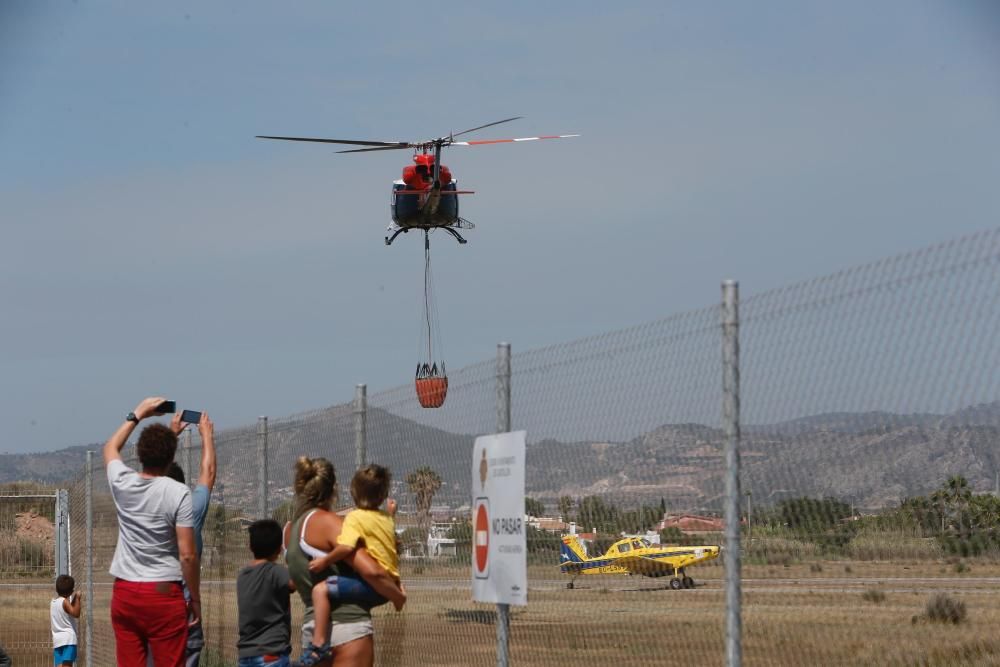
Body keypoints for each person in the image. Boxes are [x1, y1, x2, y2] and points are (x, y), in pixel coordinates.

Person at [104, 396, 200, 667]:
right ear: (171, 457)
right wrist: (194, 598)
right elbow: (188, 556)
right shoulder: (178, 492)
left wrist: (138, 414)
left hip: (124, 591)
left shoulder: (123, 482)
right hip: (162, 592)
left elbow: (111, 447)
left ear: (140, 455)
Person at [282, 457, 405, 667]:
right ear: (334, 488)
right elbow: (372, 571)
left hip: (313, 628)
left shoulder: (289, 531)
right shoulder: (330, 523)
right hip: (348, 627)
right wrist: (397, 595)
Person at [161, 410, 215, 667]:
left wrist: (171, 434)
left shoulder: (149, 508)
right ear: (183, 489)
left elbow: (154, 476)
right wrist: (206, 436)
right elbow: (209, 472)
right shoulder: (191, 510)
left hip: (153, 607)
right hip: (183, 610)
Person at [238, 520, 295, 666]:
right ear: (279, 549)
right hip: (271, 654)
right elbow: (295, 583)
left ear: (250, 546)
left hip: (246, 656)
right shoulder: (275, 572)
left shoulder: (243, 575)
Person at [51, 575, 81, 666]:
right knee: (67, 665)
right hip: (68, 640)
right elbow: (76, 613)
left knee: (60, 665)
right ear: (71, 592)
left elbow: (68, 610)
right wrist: (77, 598)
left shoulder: (53, 602)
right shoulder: (64, 602)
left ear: (56, 589)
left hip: (57, 640)